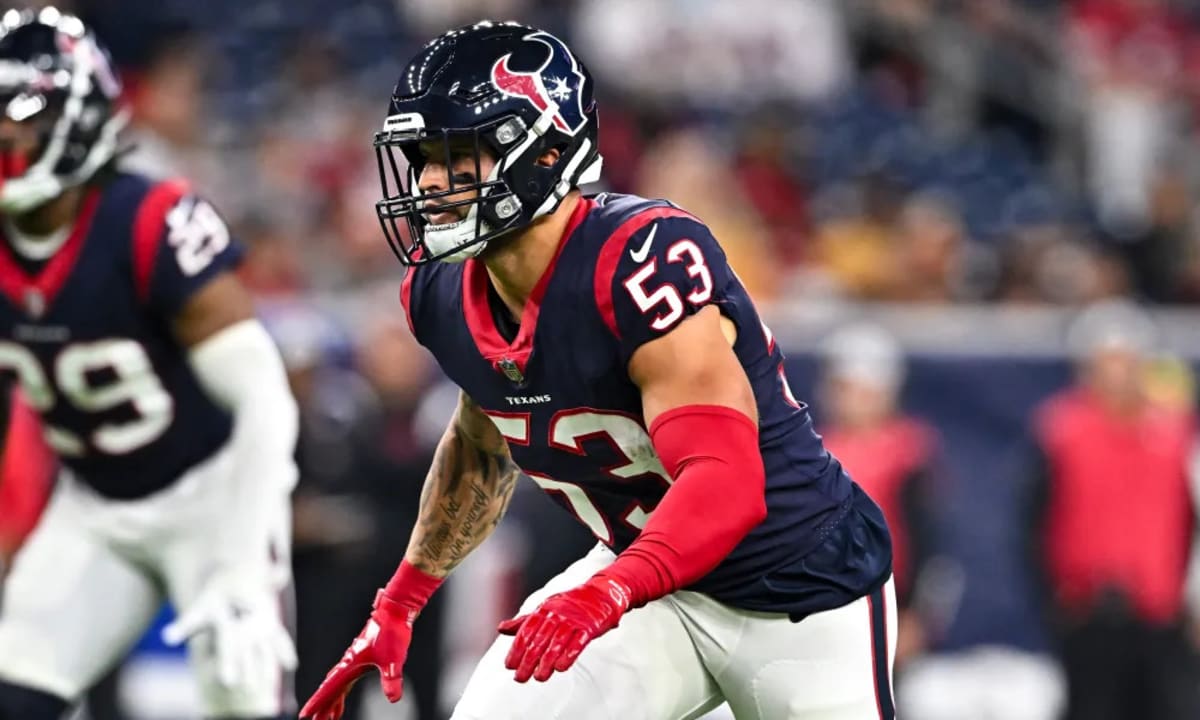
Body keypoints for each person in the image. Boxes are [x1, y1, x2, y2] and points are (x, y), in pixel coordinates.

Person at [303, 20, 896, 720]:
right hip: (646, 584)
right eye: (422, 159)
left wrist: (609, 592)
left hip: (799, 589)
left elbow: (728, 483)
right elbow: (484, 443)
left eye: (456, 156)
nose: (430, 183)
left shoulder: (638, 260)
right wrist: (401, 601)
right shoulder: (441, 292)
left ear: (546, 152)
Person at [0, 8, 299, 720]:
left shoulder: (146, 217)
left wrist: (241, 562)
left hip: (212, 501)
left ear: (74, 121)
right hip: (96, 506)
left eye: (17, 122)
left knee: (245, 700)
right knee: (14, 694)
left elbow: (264, 396)